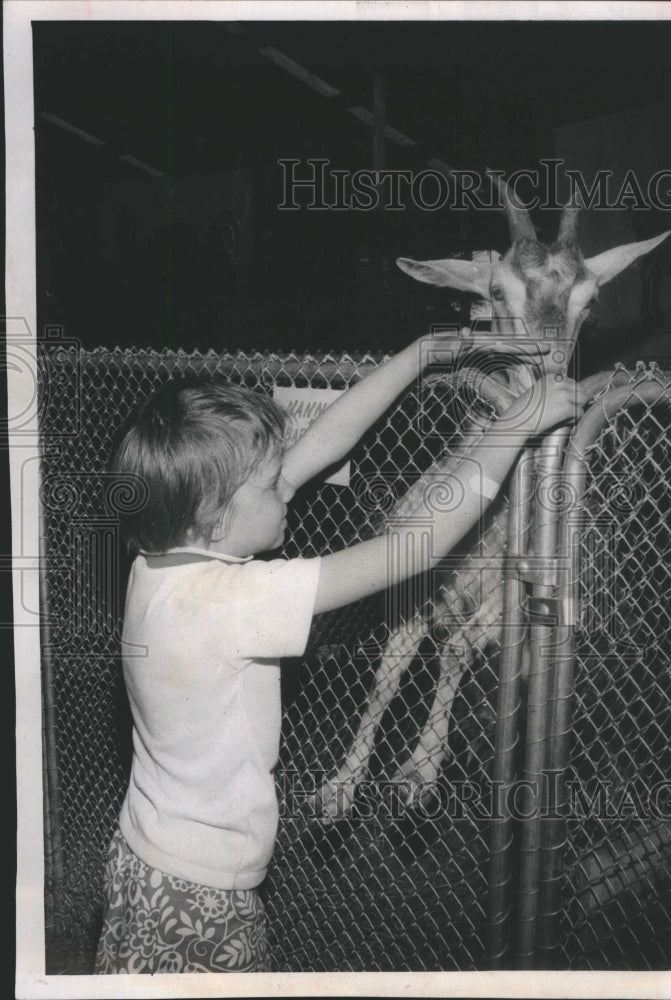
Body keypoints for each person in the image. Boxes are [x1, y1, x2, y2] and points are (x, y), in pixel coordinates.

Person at [94, 335, 582, 973]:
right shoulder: (230, 602)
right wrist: (516, 424)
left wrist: (419, 356)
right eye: (270, 484)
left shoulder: (158, 567)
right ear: (215, 517)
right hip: (201, 891)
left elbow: (312, 452)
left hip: (140, 858)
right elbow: (417, 546)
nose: (288, 487)